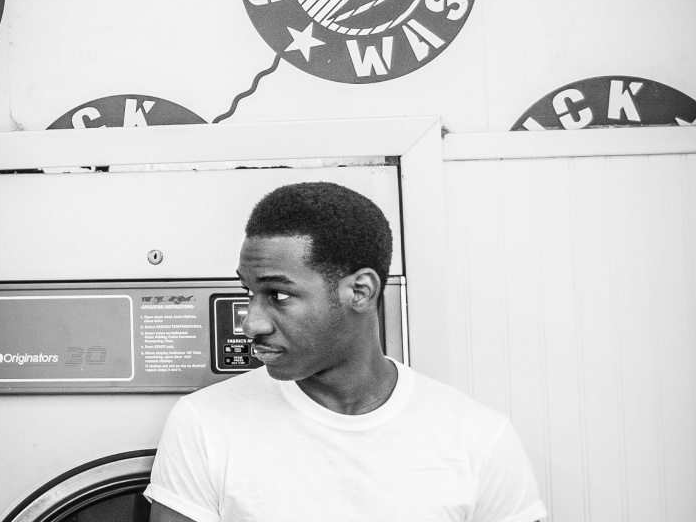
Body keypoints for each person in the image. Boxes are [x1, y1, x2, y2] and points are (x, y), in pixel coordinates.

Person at [145, 182, 547, 522]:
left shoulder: (477, 437)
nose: (252, 324)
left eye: (278, 294)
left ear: (360, 291)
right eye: (249, 292)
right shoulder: (205, 423)